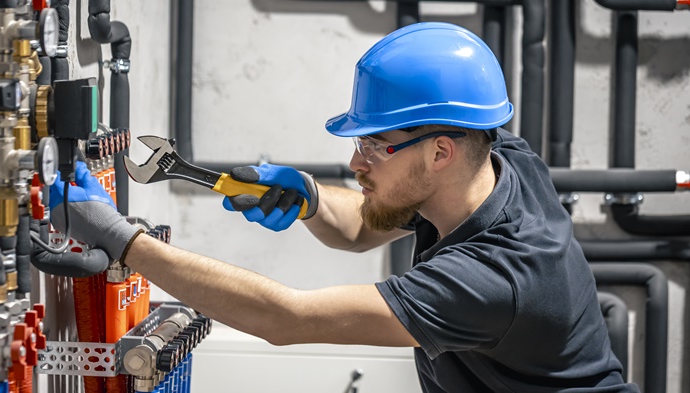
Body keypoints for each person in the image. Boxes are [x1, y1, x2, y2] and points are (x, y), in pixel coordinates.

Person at [50, 22, 638, 392]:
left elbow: (288, 319)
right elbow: (360, 227)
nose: (357, 164)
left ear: (439, 152)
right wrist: (308, 198)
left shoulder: (496, 278)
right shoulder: (497, 158)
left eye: (374, 146)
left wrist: (121, 238)